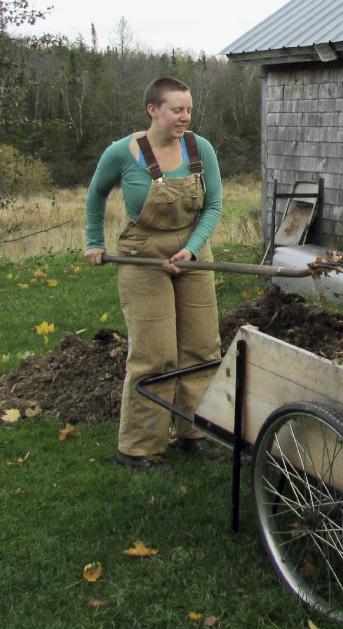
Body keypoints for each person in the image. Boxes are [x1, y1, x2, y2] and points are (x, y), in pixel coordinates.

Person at [84, 76, 223, 469]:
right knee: (154, 354)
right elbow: (95, 194)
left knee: (202, 347)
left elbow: (213, 207)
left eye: (189, 109)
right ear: (153, 110)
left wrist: (192, 251)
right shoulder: (122, 153)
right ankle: (139, 447)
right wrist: (94, 241)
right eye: (177, 109)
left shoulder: (200, 149)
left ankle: (196, 431)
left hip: (193, 252)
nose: (185, 117)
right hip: (142, 255)